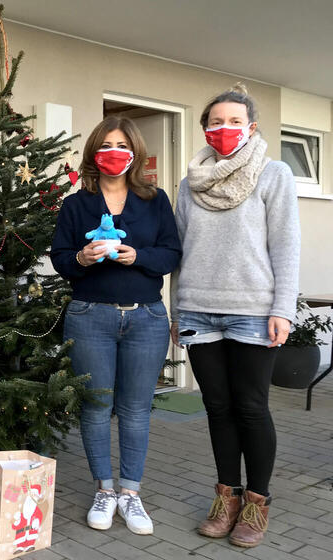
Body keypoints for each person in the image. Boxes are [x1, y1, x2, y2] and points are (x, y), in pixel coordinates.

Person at [171, 83, 299, 548]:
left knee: (251, 408)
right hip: (199, 312)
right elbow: (180, 254)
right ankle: (226, 497)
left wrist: (283, 309)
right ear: (205, 128)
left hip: (253, 312)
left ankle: (256, 503)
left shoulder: (274, 173)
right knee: (217, 409)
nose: (224, 129)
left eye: (233, 121)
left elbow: (286, 246)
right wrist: (177, 312)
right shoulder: (189, 183)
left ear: (251, 127)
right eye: (216, 121)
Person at [50, 116, 181, 535]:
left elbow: (171, 255)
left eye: (122, 145)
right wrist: (81, 260)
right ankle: (104, 490)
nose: (114, 152)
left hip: (146, 317)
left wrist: (136, 256)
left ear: (135, 152)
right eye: (106, 145)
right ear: (94, 152)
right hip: (91, 316)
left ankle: (131, 493)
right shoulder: (76, 204)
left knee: (136, 409)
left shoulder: (155, 199)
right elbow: (60, 258)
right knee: (96, 406)